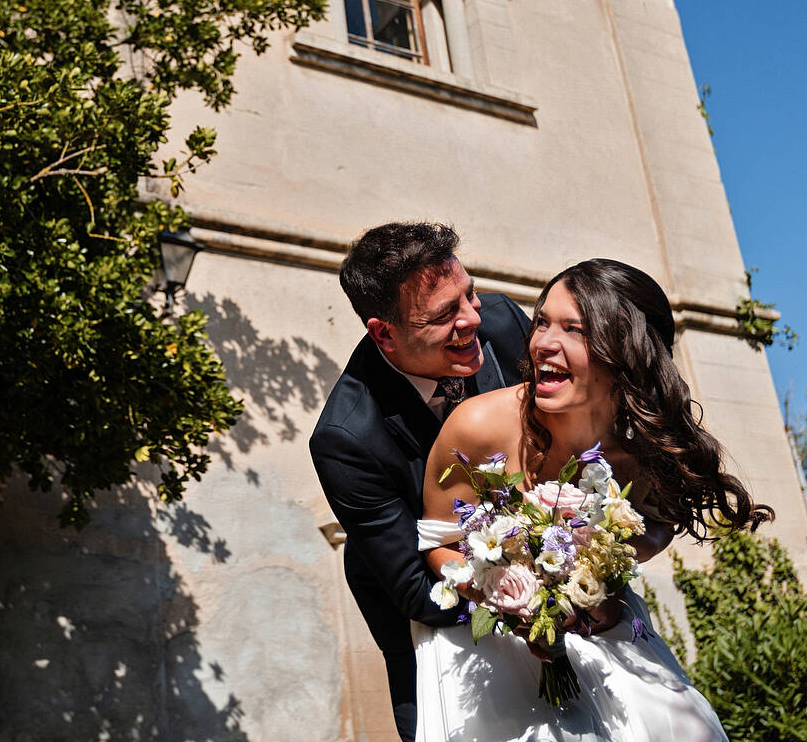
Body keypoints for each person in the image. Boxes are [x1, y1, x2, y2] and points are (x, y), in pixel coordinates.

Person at [417, 259, 774, 742]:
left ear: (624, 352)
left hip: (601, 624)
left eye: (574, 329)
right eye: (542, 321)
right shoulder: (479, 427)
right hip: (487, 644)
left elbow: (658, 524)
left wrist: (597, 573)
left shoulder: (649, 442)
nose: (543, 341)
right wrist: (519, 603)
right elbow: (440, 546)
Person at [309, 222, 531, 742]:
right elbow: (413, 587)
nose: (471, 319)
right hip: (433, 631)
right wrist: (533, 601)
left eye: (469, 294)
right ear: (383, 332)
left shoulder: (501, 322)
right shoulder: (346, 438)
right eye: (443, 316)